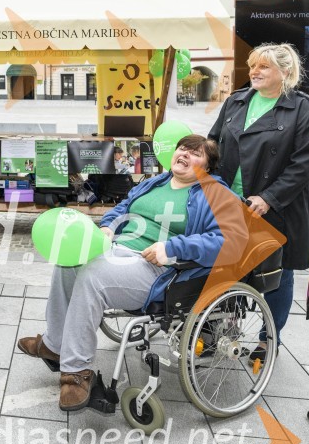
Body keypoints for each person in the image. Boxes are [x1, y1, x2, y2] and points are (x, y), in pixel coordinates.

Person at [18, 136, 244, 410]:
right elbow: (123, 207)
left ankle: (77, 372)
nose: (184, 153)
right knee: (68, 262)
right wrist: (109, 226)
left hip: (157, 268)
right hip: (116, 248)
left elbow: (231, 241)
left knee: (91, 276)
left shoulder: (216, 195)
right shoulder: (155, 182)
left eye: (195, 153)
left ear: (207, 168)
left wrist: (173, 247)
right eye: (182, 147)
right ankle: (55, 343)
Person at [208, 43, 309, 361]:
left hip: (277, 206)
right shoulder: (236, 102)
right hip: (230, 203)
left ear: (285, 72)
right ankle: (219, 332)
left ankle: (270, 340)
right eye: (252, 65)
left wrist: (269, 198)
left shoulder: (304, 109)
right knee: (224, 269)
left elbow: (305, 163)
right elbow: (214, 142)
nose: (253, 71)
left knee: (275, 276)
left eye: (263, 66)